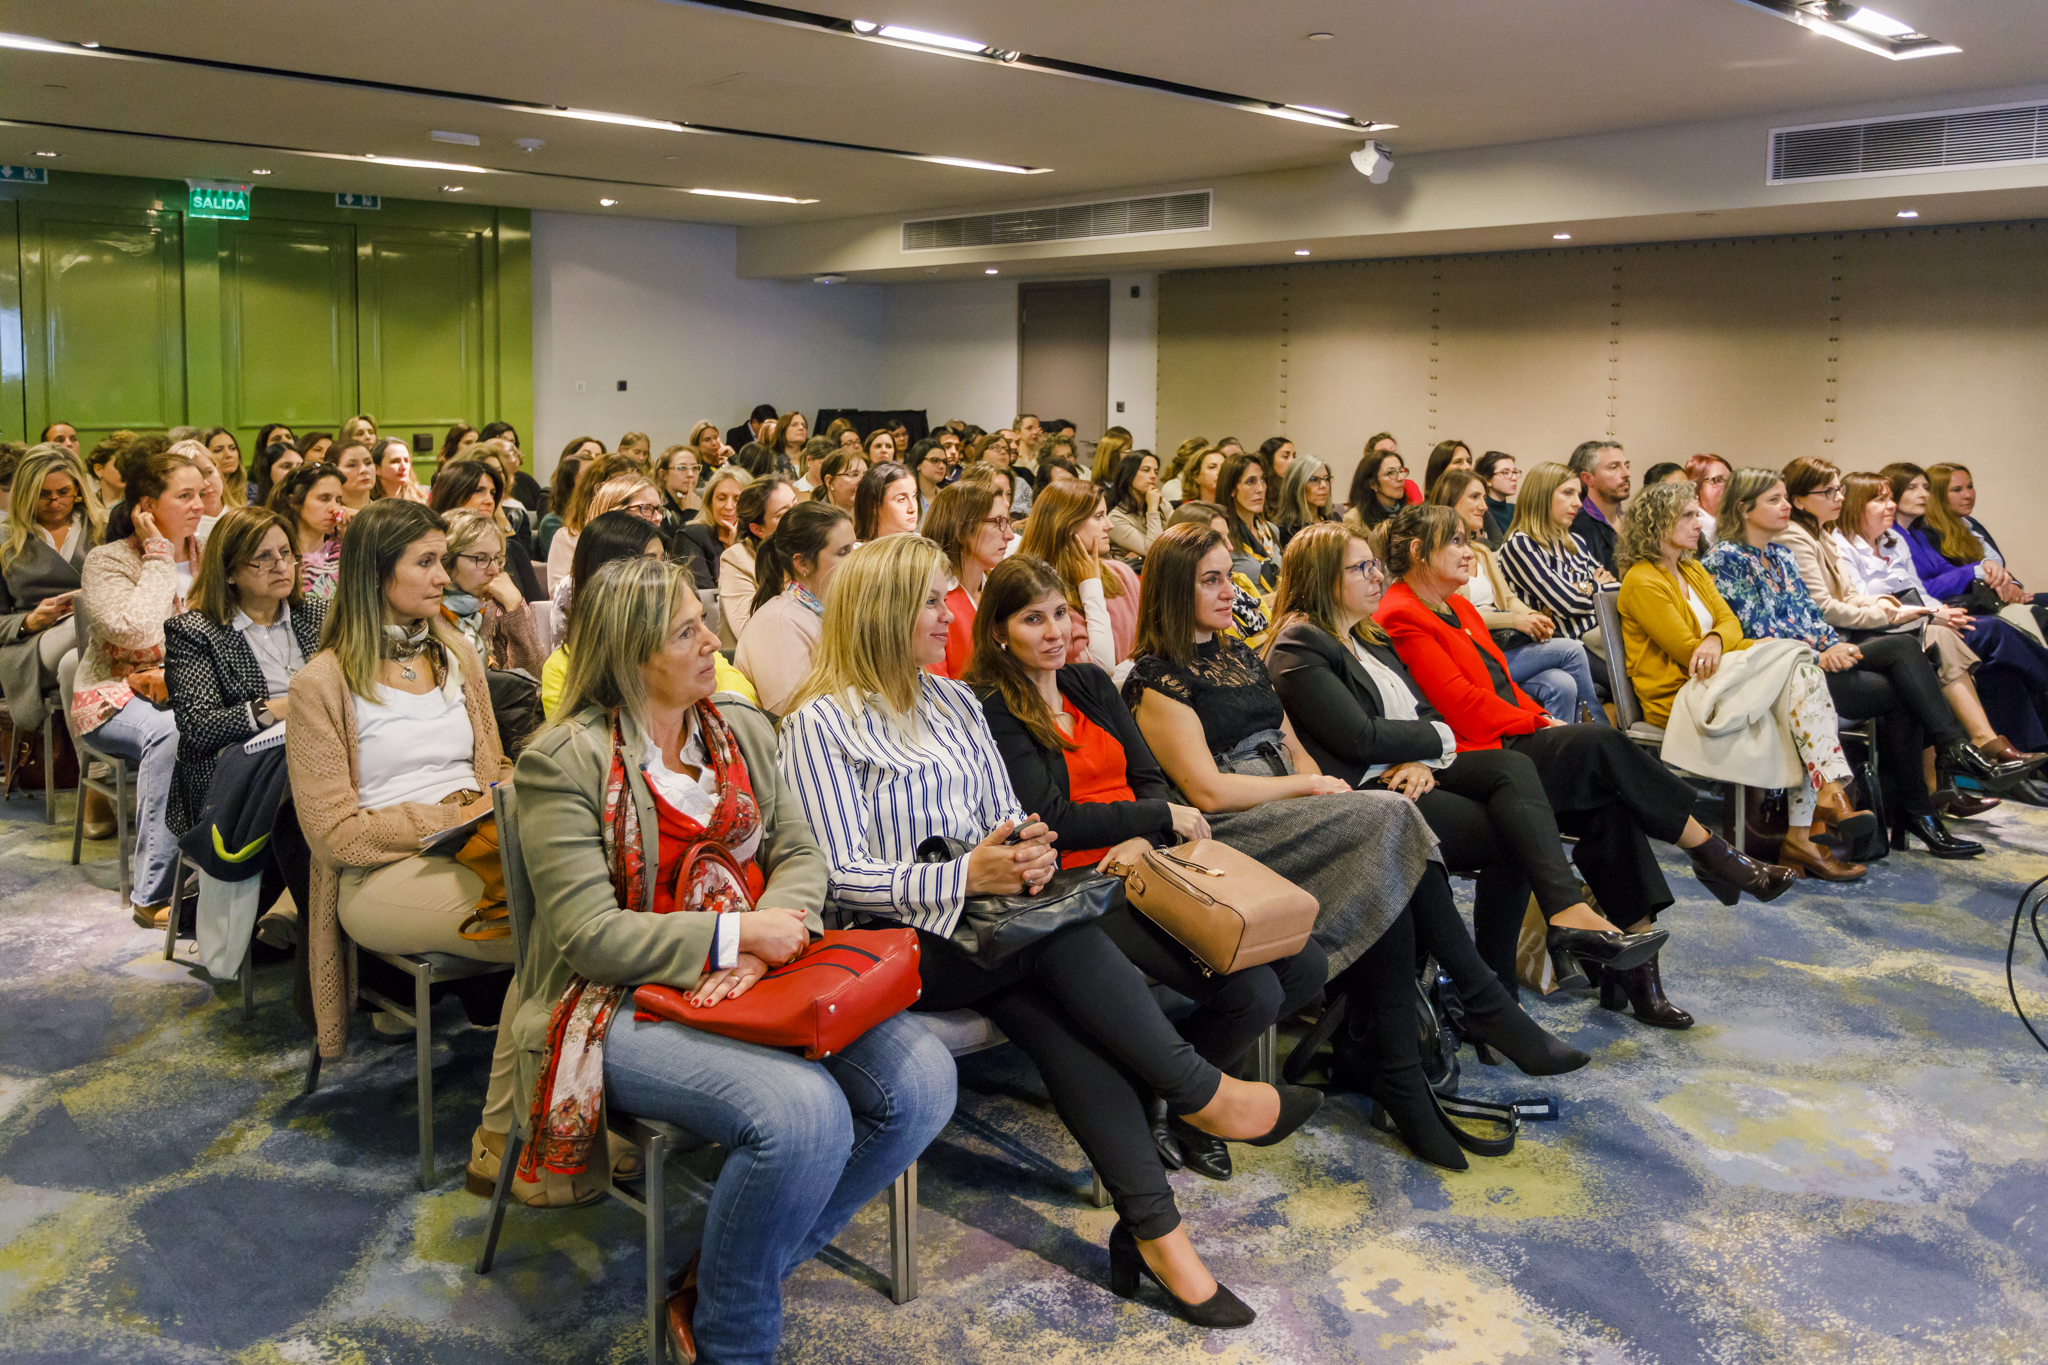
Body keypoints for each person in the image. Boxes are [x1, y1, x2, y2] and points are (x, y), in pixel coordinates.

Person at [782, 534, 1319, 1327]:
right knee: (1062, 940)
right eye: (931, 601)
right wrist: (966, 875)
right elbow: (838, 876)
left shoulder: (952, 701)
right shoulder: (820, 723)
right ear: (886, 612)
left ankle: (1159, 1236)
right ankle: (1198, 1093)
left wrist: (1026, 850)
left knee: (1060, 1015)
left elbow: (1009, 814)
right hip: (896, 938)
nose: (949, 614)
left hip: (994, 923)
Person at [511, 553, 952, 1361]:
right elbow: (589, 935)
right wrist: (735, 935)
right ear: (631, 653)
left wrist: (768, 935)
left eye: (704, 621)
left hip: (760, 972)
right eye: (687, 632)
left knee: (925, 1078)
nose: (713, 641)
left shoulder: (738, 728)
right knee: (805, 1116)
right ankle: (733, 1337)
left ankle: (720, 1277)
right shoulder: (564, 760)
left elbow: (800, 851)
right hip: (616, 999)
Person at [1123, 521, 1582, 1163]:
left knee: (1385, 851)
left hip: (1292, 806)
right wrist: (1308, 791)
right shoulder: (1154, 679)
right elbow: (1208, 791)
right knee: (1390, 818)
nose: (1230, 591)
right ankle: (1478, 1007)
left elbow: (1295, 748)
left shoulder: (1239, 657)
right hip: (1230, 835)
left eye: (1229, 577)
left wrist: (1317, 786)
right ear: (1175, 590)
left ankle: (1405, 1076)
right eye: (1211, 581)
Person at [969, 554, 1334, 1180]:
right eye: (1033, 619)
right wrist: (1154, 817)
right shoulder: (993, 707)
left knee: (1305, 963)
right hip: (1077, 885)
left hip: (1147, 861)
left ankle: (1171, 1099)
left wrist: (1145, 833)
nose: (1054, 631)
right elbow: (1053, 817)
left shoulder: (1088, 682)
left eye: (1060, 613)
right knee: (1253, 992)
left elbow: (1147, 778)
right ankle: (1195, 1103)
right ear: (999, 631)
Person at [1376, 502, 1799, 1028]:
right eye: (1456, 542)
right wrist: (1540, 723)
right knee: (1601, 744)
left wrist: (1538, 719)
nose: (1470, 552)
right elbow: (1461, 705)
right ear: (1419, 552)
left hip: (1505, 739)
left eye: (1468, 540)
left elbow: (1500, 687)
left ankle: (1640, 969)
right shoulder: (1401, 612)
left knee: (1610, 806)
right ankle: (1711, 853)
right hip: (1469, 755)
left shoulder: (1458, 607)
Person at [1264, 523, 1656, 997]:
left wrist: (1423, 756)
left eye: (1375, 565)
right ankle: (1503, 983)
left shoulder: (1368, 636)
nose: (1377, 576)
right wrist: (1429, 742)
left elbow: (1425, 710)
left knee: (1535, 775)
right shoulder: (1302, 642)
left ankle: (1561, 930)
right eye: (1361, 568)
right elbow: (1362, 738)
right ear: (1323, 577)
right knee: (1529, 817)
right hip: (1368, 792)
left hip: (1412, 770)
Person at [1704, 469, 2006, 867]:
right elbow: (1755, 629)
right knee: (1902, 689)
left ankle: (1940, 771)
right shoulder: (1725, 559)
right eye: (1774, 500)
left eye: (1784, 498)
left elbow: (1809, 614)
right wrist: (1820, 652)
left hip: (1812, 659)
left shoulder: (1778, 554)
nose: (1785, 507)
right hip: (1781, 671)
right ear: (1744, 509)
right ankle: (1925, 801)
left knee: (1903, 650)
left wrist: (1830, 644)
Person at [1612, 482, 1869, 877]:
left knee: (1802, 677)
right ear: (1657, 523)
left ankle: (1817, 814)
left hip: (1718, 679)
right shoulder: (1642, 581)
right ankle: (1816, 815)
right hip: (1680, 695)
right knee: (1799, 674)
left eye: (1696, 514)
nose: (1698, 523)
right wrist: (1727, 643)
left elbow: (1728, 621)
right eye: (1687, 515)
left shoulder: (1691, 568)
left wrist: (1717, 638)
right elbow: (1688, 654)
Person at [1778, 457, 2029, 819]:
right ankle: (1954, 763)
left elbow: (1863, 595)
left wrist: (1905, 608)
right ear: (1801, 500)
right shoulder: (1806, 537)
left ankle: (1936, 788)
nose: (1891, 505)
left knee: (1929, 658)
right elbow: (1826, 607)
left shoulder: (1844, 536)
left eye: (1839, 489)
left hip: (1868, 627)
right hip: (1845, 638)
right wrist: (1896, 612)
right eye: (1830, 491)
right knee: (1927, 650)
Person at [161, 505, 324, 936]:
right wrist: (279, 708)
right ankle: (317, 920)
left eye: (286, 553)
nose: (281, 566)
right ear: (230, 572)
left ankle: (301, 909)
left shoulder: (318, 616)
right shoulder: (196, 631)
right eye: (262, 558)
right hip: (231, 774)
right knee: (302, 771)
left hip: (318, 755)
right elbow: (199, 726)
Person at [75, 444, 207, 925]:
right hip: (112, 696)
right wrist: (158, 554)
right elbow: (136, 632)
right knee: (172, 734)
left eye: (201, 493)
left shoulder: (210, 555)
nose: (199, 504)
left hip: (190, 688)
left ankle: (232, 876)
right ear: (147, 507)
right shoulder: (108, 560)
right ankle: (152, 895)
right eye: (185, 495)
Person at [1833, 470, 2048, 766]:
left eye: (1891, 498)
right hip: (1886, 629)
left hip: (1923, 618)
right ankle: (1987, 740)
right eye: (1881, 500)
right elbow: (1860, 600)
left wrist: (1942, 612)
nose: (1891, 505)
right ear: (1857, 506)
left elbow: (1920, 591)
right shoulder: (1840, 546)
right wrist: (1933, 615)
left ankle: (2022, 763)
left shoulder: (1893, 539)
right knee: (1992, 629)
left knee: (2000, 672)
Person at [1430, 469, 1604, 725]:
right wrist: (1514, 620)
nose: (1484, 506)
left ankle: (1558, 747)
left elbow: (1508, 598)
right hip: (1474, 652)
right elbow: (1456, 615)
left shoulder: (1481, 552)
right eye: (1475, 497)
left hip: (1502, 646)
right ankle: (1603, 729)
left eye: (1484, 497)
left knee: (1563, 684)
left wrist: (1531, 615)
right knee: (1573, 649)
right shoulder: (1441, 556)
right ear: (1450, 502)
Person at [542, 511, 754, 718]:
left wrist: (702, 718)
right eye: (650, 563)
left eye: (664, 560)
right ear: (609, 575)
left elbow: (739, 689)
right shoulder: (563, 667)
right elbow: (578, 736)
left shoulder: (682, 633)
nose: (665, 572)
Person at [0, 446, 98, 816]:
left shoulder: (102, 528)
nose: (55, 502)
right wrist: (29, 621)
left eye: (64, 492)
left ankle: (94, 784)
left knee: (75, 663)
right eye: (43, 495)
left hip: (91, 644)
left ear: (78, 490)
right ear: (25, 493)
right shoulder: (4, 539)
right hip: (30, 646)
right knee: (83, 625)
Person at [735, 502, 854, 715]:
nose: (855, 560)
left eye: (853, 548)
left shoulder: (835, 610)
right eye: (843, 552)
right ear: (803, 564)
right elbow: (792, 717)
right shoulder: (778, 622)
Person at [1021, 482, 1139, 672]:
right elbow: (1097, 668)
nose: (1109, 525)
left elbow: (1150, 647)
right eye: (1098, 516)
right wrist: (1091, 586)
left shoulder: (1121, 573)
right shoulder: (1036, 588)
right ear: (1067, 524)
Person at [1496, 461, 1613, 647]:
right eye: (1568, 493)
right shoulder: (1521, 545)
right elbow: (1568, 604)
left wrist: (1585, 587)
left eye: (1578, 495)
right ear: (1542, 496)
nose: (1578, 503)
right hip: (1558, 645)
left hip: (1598, 635)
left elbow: (1616, 590)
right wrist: (1593, 585)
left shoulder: (1575, 541)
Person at [438, 509, 543, 676]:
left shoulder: (493, 609)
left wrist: (515, 610)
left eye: (497, 558)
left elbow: (536, 678)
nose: (494, 570)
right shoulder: (427, 616)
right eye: (481, 558)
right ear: (447, 561)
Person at [926, 480, 1014, 679]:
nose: (1009, 535)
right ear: (961, 530)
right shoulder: (931, 604)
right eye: (998, 522)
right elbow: (936, 689)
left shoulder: (1001, 589)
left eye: (1008, 522)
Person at [430, 458, 543, 604]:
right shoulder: (432, 549)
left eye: (492, 493)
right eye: (479, 491)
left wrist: (514, 606)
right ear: (453, 494)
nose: (489, 501)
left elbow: (536, 608)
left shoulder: (513, 549)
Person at [719, 476, 798, 644]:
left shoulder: (812, 547)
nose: (798, 516)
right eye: (784, 514)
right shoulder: (737, 559)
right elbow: (749, 630)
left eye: (796, 504)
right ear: (758, 529)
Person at [268, 462, 347, 605]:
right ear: (293, 502)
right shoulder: (278, 557)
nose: (335, 508)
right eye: (324, 499)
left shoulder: (346, 549)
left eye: (338, 500)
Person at [676, 465, 747, 596]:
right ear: (710, 502)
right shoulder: (691, 535)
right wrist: (733, 554)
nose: (729, 506)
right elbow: (707, 598)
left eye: (737, 500)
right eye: (721, 498)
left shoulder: (756, 536)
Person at [1216, 453, 1280, 588]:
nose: (1260, 489)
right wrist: (1275, 598)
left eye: (1262, 480)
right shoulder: (1223, 536)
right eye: (1250, 482)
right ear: (1232, 489)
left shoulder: (1271, 530)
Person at [1565, 440, 1629, 575]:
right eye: (1614, 467)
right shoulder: (1576, 526)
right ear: (1588, 478)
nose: (1626, 473)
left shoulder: (1634, 521)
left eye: (1627, 466)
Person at [1106, 451, 1164, 563]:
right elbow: (1155, 551)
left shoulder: (1161, 503)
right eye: (1146, 470)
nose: (1153, 476)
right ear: (1129, 474)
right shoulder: (1116, 517)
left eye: (1156, 472)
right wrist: (1152, 510)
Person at [1271, 453, 1336, 551]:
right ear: (1296, 486)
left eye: (1326, 479)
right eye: (1314, 479)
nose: (1323, 485)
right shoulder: (1285, 531)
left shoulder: (1334, 519)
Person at [1344, 447, 1411, 531]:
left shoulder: (1409, 514)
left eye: (1401, 471)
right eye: (1390, 473)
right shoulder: (1354, 519)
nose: (1401, 478)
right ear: (1373, 483)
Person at [853, 461, 918, 541]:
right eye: (901, 499)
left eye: (914, 496)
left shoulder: (924, 546)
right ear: (874, 506)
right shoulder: (856, 548)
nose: (913, 508)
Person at [1475, 451, 1518, 548]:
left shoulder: (1516, 509)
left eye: (1514, 472)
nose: (1514, 478)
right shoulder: (1481, 512)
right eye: (1505, 473)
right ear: (1488, 480)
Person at [368, 437, 427, 503]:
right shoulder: (367, 501)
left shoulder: (422, 498)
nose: (403, 467)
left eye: (406, 461)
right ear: (377, 469)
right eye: (395, 461)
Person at [200, 427, 247, 508]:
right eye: (218, 450)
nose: (228, 455)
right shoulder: (201, 494)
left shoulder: (250, 491)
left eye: (232, 448)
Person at [250, 440, 304, 508]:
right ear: (268, 471)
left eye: (300, 466)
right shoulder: (254, 511)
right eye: (286, 466)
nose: (296, 471)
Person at [811, 448, 866, 513]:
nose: (863, 481)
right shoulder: (816, 517)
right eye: (854, 474)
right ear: (829, 482)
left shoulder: (870, 513)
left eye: (866, 474)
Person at [909, 438, 950, 519]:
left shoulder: (948, 498)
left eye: (944, 461)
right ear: (918, 464)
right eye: (935, 460)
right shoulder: (907, 498)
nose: (942, 466)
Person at [333, 440, 377, 514]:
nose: (364, 470)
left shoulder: (387, 513)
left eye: (368, 463)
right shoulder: (326, 516)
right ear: (334, 471)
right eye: (352, 465)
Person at [87, 433, 128, 508]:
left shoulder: (139, 505)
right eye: (119, 465)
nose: (126, 471)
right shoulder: (86, 505)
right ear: (98, 470)